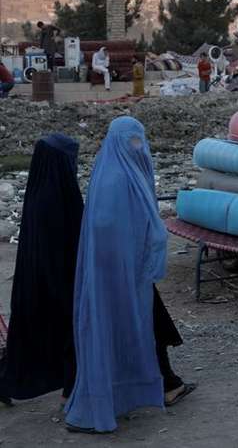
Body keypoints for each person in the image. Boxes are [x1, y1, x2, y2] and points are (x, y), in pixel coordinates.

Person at [65, 117, 194, 434]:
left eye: (140, 141)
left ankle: (144, 388)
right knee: (122, 329)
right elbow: (110, 229)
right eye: (131, 141)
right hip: (117, 277)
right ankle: (112, 400)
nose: (138, 148)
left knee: (134, 329)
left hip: (125, 274)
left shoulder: (115, 174)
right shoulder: (117, 181)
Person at [0, 135, 83, 406]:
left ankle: (9, 383)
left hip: (39, 282)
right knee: (67, 332)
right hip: (56, 281)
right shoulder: (55, 196)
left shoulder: (41, 190)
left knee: (33, 338)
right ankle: (70, 391)